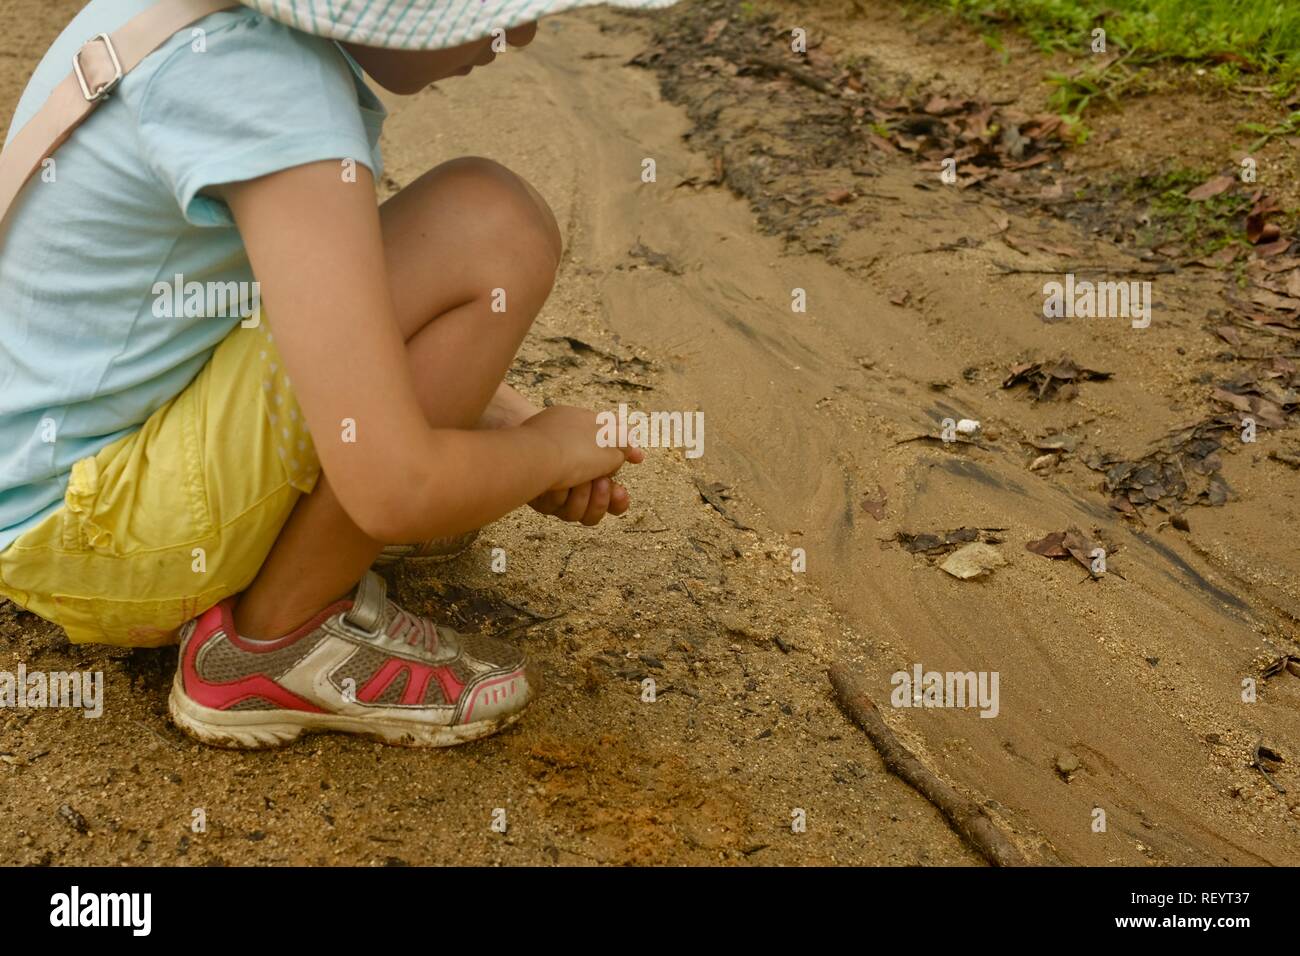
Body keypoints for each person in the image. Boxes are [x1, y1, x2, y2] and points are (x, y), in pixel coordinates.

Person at [0, 0, 676, 748]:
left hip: (41, 494)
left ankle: (296, 546)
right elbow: (398, 490)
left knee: (460, 241)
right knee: (491, 224)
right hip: (98, 536)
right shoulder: (274, 97)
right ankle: (272, 642)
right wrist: (549, 449)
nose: (517, 34)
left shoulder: (200, 28)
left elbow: (306, 303)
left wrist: (499, 421)